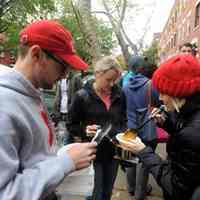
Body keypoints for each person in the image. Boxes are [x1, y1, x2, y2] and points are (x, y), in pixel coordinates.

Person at [0, 20, 97, 200]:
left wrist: (62, 154)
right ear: (36, 54)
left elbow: (32, 158)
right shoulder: (4, 106)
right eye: (63, 65)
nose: (66, 74)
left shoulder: (33, 93)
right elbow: (6, 193)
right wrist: (65, 163)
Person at [120, 55, 200, 200]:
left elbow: (176, 188)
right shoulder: (188, 112)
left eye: (163, 92)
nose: (161, 98)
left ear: (178, 93)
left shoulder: (192, 132)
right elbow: (184, 131)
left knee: (132, 161)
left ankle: (135, 192)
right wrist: (166, 123)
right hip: (147, 132)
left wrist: (144, 152)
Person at [67, 56, 127, 200]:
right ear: (97, 74)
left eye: (115, 80)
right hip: (93, 154)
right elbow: (71, 125)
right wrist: (84, 130)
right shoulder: (82, 96)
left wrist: (123, 134)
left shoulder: (120, 94)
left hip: (113, 153)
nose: (112, 84)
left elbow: (123, 120)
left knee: (107, 193)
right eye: (108, 80)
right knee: (95, 194)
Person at [123, 56, 160, 200]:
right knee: (145, 162)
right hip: (148, 128)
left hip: (130, 128)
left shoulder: (125, 86)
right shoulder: (151, 85)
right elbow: (158, 102)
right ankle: (140, 194)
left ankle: (131, 187)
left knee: (129, 159)